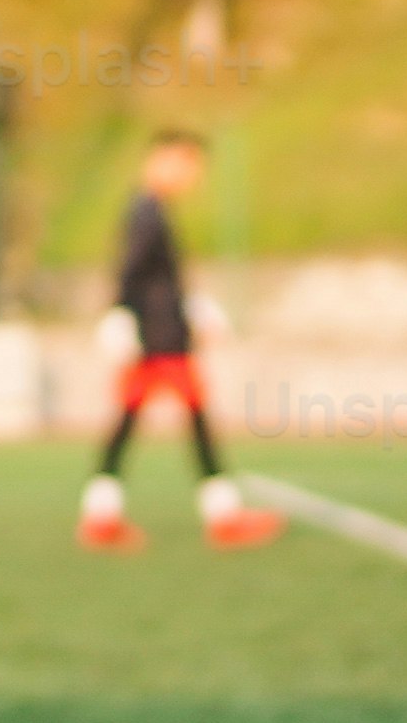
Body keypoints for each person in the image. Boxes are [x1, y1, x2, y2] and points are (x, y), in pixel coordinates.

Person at [80, 127, 270, 553]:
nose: (193, 177)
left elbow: (158, 278)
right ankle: (222, 516)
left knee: (137, 421)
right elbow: (130, 270)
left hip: (160, 336)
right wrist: (121, 314)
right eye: (190, 166)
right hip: (158, 342)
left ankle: (102, 514)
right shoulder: (146, 211)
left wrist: (193, 307)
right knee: (190, 419)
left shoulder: (152, 208)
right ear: (167, 159)